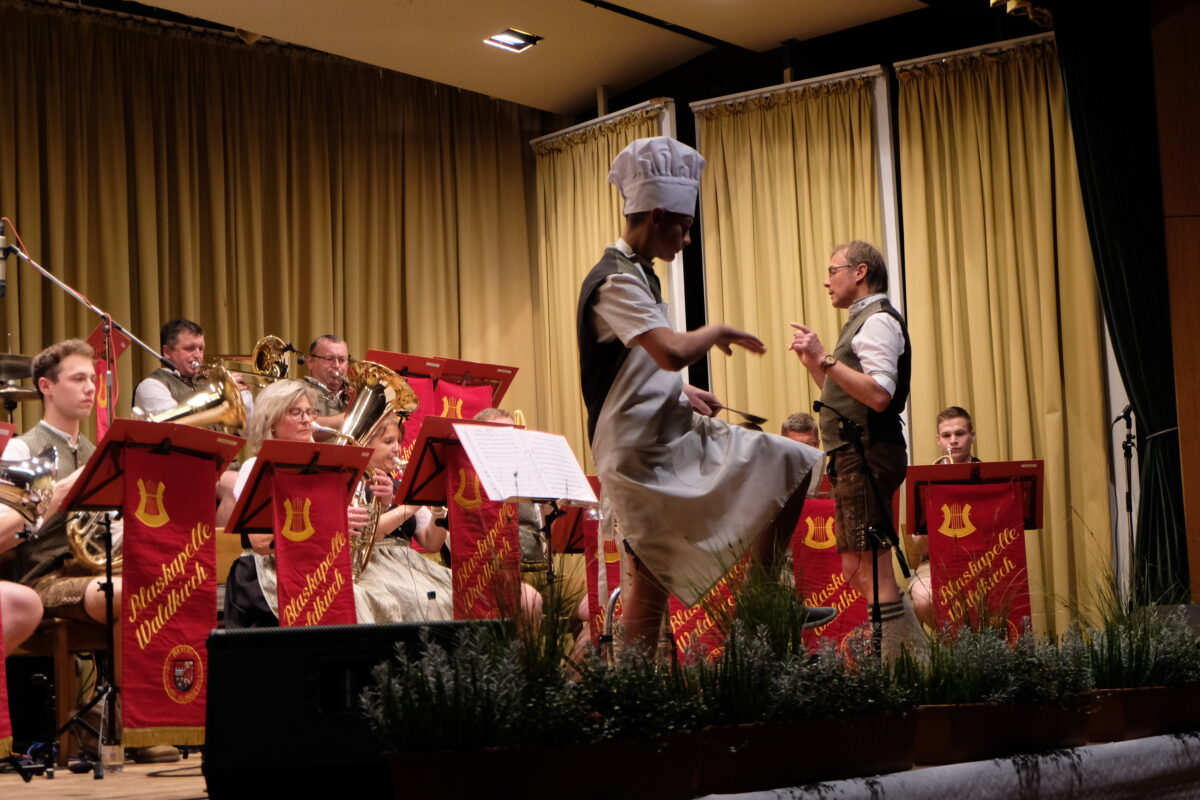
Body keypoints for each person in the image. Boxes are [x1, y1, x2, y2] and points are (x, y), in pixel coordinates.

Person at [576, 136, 832, 651]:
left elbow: (640, 364)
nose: (687, 241)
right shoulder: (614, 282)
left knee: (794, 460)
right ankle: (630, 704)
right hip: (640, 458)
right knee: (645, 602)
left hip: (665, 436)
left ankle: (761, 601)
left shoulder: (639, 277)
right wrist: (715, 332)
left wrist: (682, 392)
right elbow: (668, 350)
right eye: (685, 228)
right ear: (656, 215)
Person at [0, 339, 177, 763]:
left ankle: (142, 714)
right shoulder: (26, 449)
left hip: (91, 567)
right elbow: (6, 530)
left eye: (92, 380)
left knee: (160, 581)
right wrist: (56, 494)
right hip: (42, 575)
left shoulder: (97, 452)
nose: (89, 389)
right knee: (119, 593)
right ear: (45, 386)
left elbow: (110, 529)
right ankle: (122, 723)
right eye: (78, 379)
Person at [790, 240, 923, 660]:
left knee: (871, 566)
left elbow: (880, 396)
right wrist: (816, 364)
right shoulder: (860, 322)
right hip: (852, 455)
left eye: (833, 270)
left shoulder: (878, 321)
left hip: (867, 453)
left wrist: (825, 359)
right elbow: (843, 400)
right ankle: (912, 657)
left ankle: (902, 665)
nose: (826, 280)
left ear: (860, 272)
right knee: (856, 567)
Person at [223, 379, 382, 626]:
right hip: (270, 572)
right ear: (271, 422)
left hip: (320, 566)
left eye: (309, 412)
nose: (307, 420)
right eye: (295, 412)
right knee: (361, 605)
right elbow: (261, 542)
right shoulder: (254, 467)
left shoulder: (330, 466)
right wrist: (333, 525)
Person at [351, 416, 456, 622]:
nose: (398, 449)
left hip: (405, 563)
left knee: (458, 592)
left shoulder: (400, 486)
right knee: (424, 602)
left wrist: (437, 505)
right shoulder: (355, 483)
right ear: (365, 443)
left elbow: (432, 542)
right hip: (373, 564)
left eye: (399, 442)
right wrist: (411, 506)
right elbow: (368, 534)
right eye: (388, 442)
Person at [909, 406, 980, 627]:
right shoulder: (925, 481)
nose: (953, 441)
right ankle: (954, 653)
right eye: (947, 435)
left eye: (960, 433)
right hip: (935, 562)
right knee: (923, 600)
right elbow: (920, 547)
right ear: (939, 440)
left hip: (983, 559)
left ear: (972, 436)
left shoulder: (991, 476)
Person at [132, 318, 253, 423]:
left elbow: (247, 427)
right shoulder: (151, 386)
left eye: (201, 349)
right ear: (167, 352)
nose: (198, 355)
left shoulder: (204, 383)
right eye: (190, 348)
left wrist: (239, 395)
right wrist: (221, 395)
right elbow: (177, 424)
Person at [303, 335, 351, 432]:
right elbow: (303, 426)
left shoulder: (351, 395)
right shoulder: (297, 392)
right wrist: (356, 416)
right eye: (329, 359)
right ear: (310, 362)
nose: (337, 366)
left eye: (342, 360)